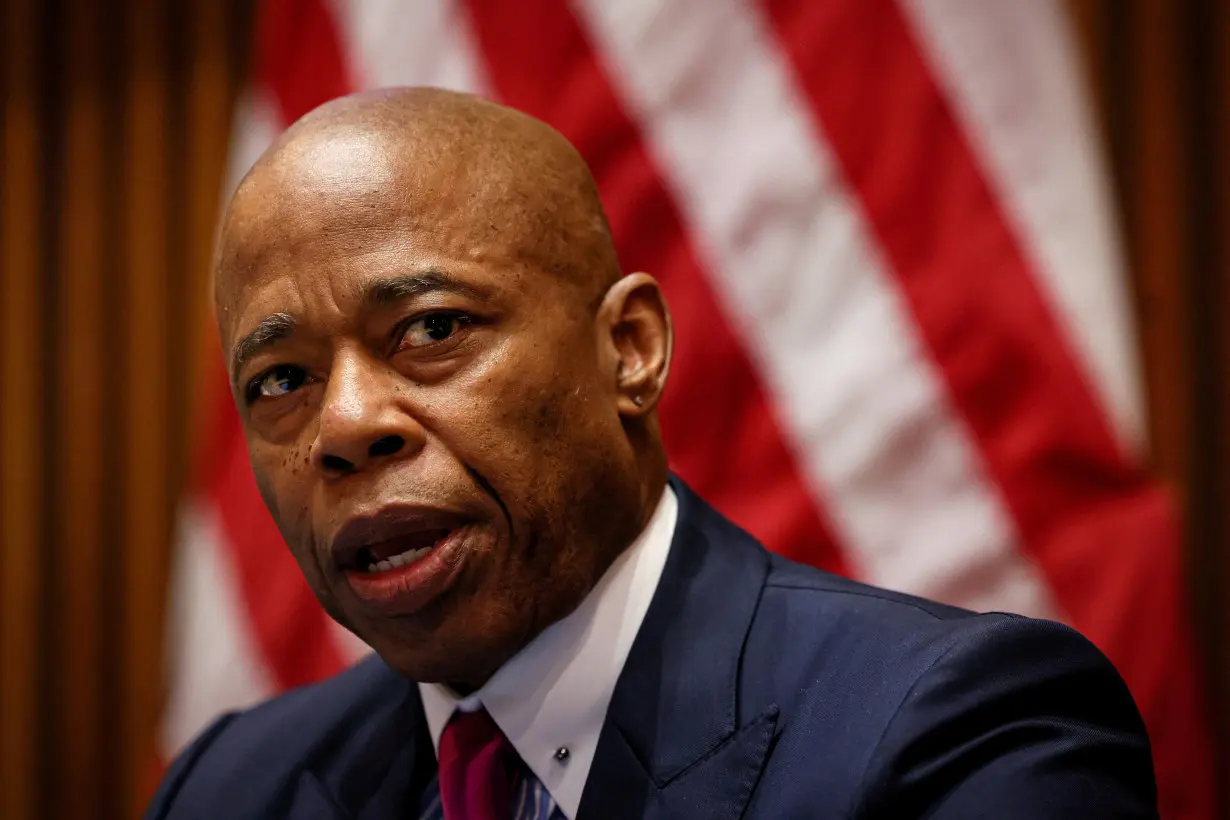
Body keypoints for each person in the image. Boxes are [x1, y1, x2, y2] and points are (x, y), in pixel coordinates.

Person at [146, 87, 1158, 820]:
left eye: (432, 330)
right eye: (281, 380)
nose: (345, 424)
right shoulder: (231, 786)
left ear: (629, 349)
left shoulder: (955, 737)